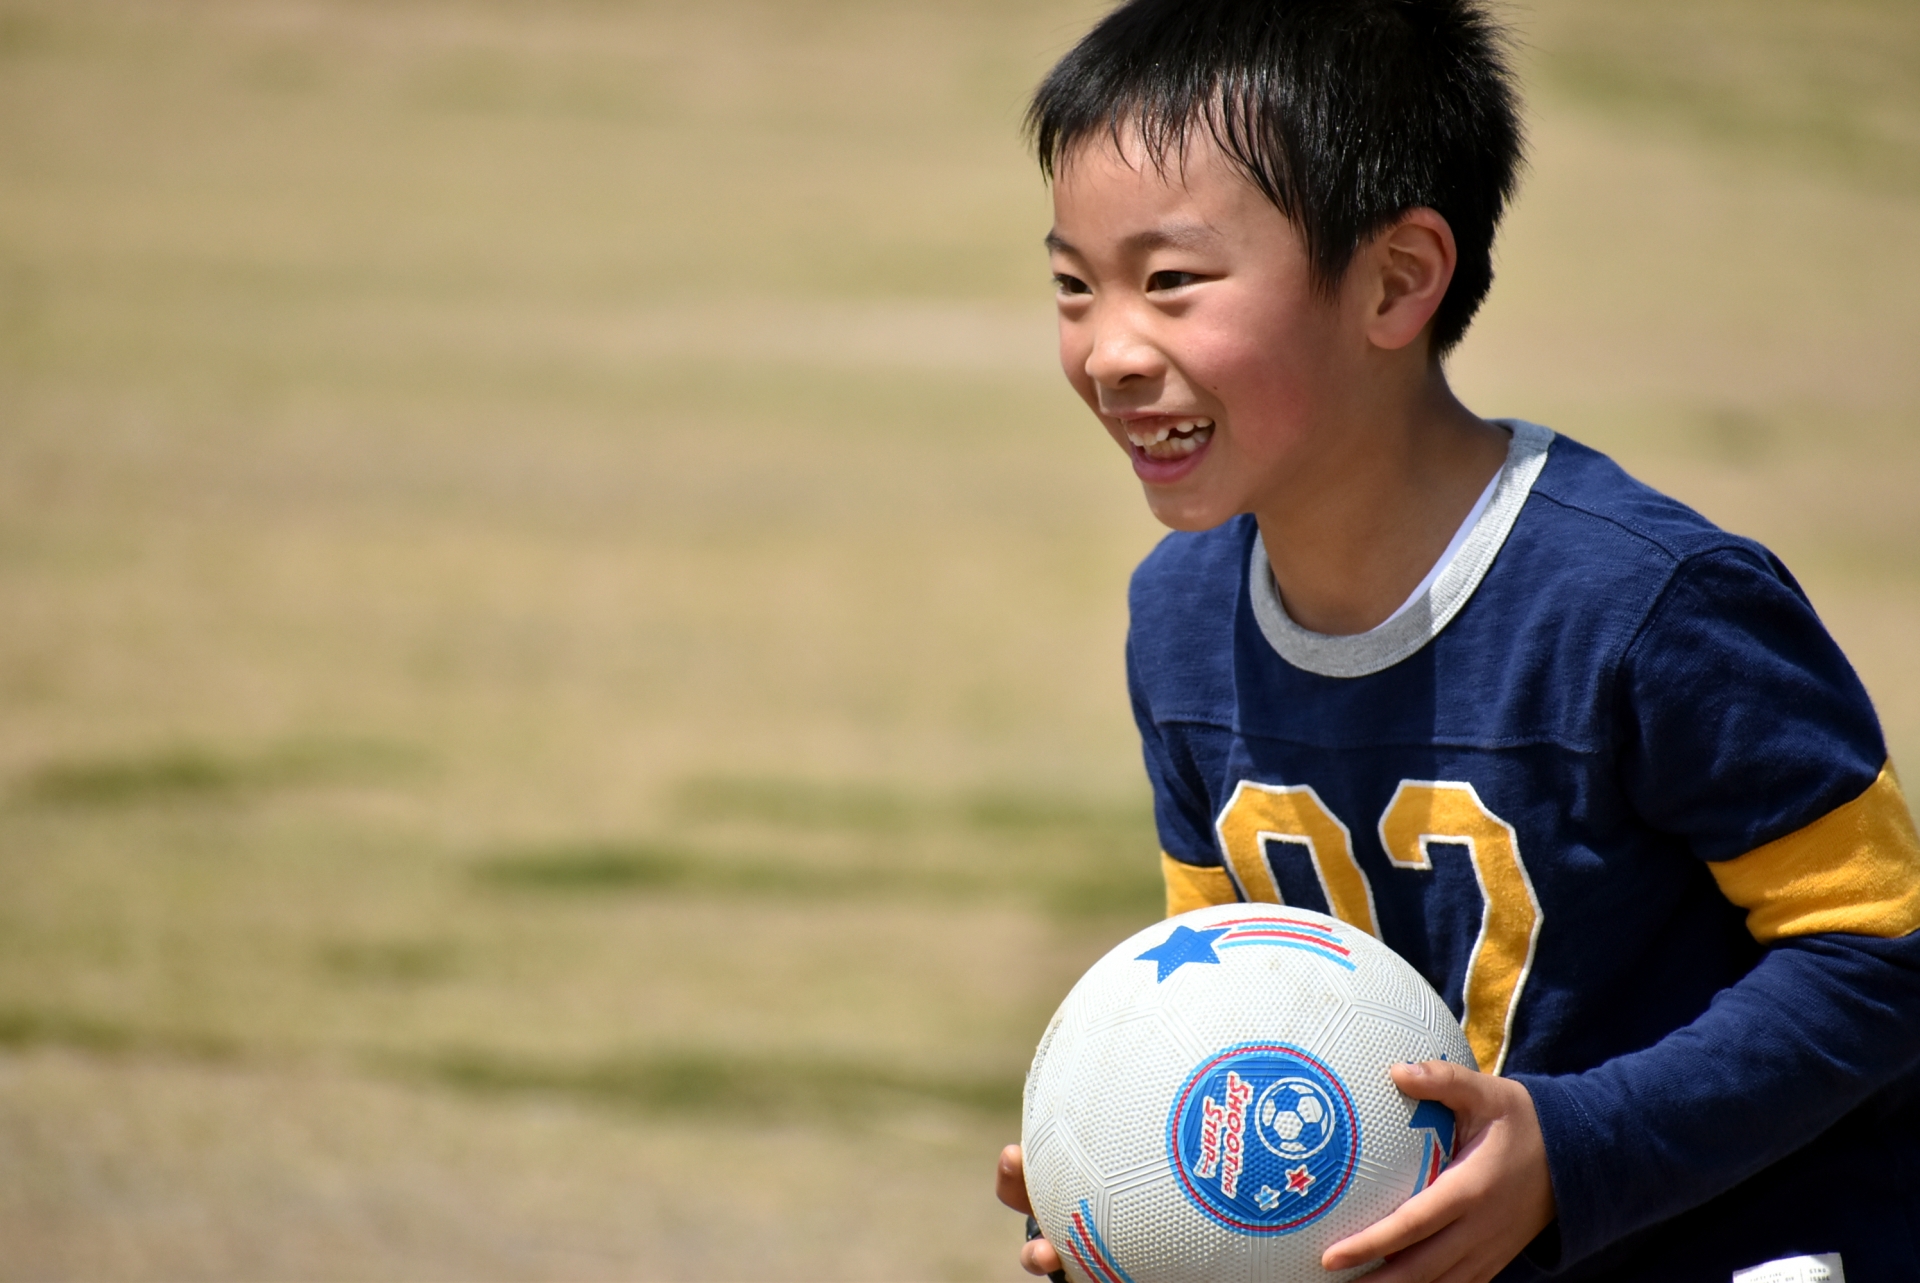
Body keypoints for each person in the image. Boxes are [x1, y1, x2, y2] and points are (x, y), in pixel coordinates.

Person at [990, 1, 1920, 1280]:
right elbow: (1234, 1006)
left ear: (1396, 279)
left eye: (1170, 283)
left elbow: (1882, 956)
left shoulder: (1648, 605)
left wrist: (1577, 1147)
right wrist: (1137, 1182)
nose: (1108, 350)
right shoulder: (1181, 618)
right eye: (1071, 287)